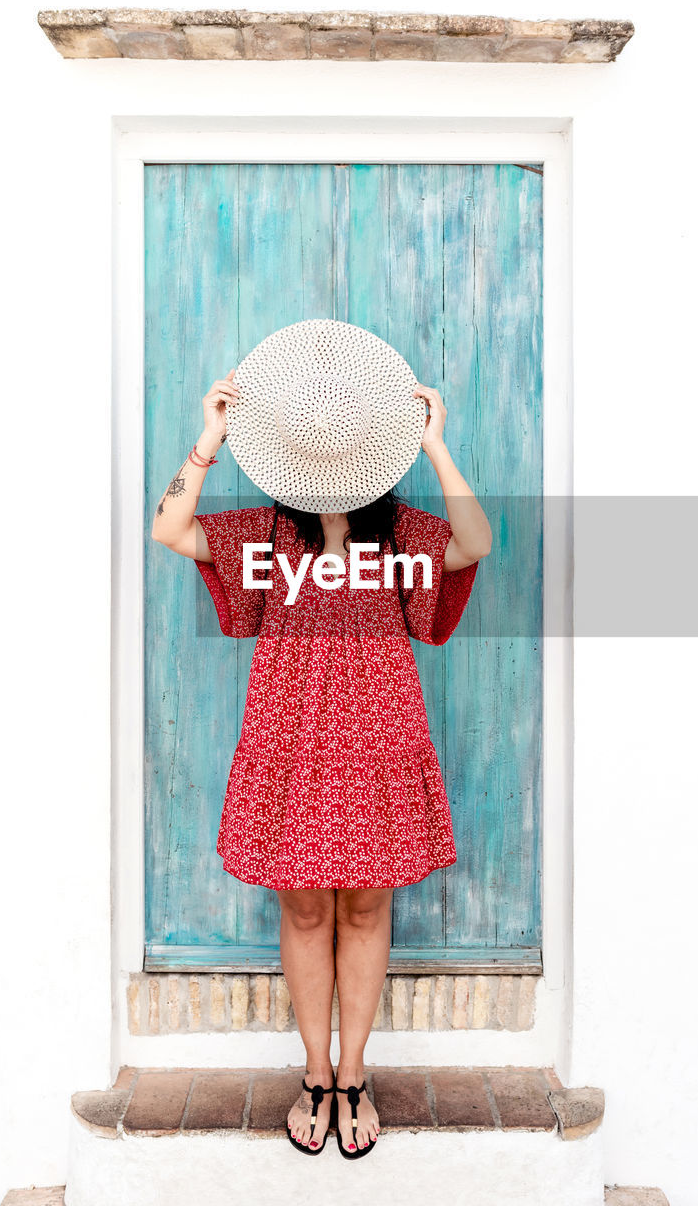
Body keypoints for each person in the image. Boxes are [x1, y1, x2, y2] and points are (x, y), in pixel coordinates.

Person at [151, 366, 492, 1158]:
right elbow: (170, 528)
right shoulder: (266, 534)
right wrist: (210, 436)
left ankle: (354, 1074)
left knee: (367, 908)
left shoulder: (402, 530)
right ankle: (314, 1074)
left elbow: (473, 542)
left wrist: (435, 447)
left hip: (379, 733)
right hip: (292, 734)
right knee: (305, 908)